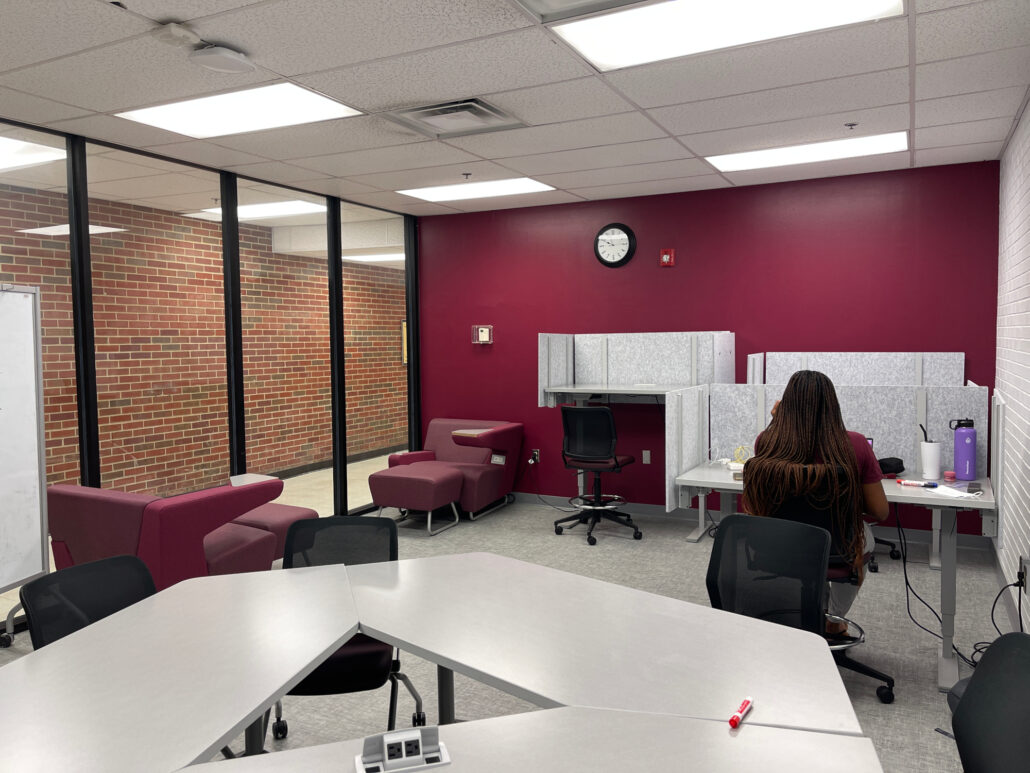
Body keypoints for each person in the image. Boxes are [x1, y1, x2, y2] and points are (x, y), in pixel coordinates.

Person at [742, 370, 889, 635]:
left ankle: (807, 612)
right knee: (863, 537)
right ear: (833, 405)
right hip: (838, 546)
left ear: (785, 405)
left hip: (781, 544)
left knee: (814, 544)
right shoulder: (855, 444)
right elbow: (880, 511)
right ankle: (833, 620)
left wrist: (775, 424)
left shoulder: (766, 441)